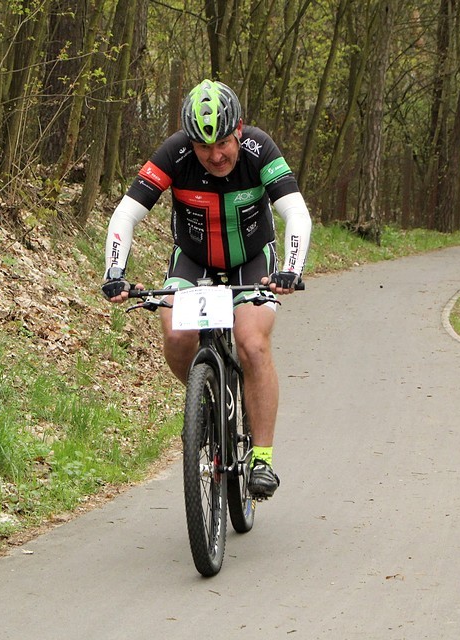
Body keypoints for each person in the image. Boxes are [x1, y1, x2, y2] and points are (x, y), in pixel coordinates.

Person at [100, 79, 312, 499]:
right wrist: (114, 272)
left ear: (239, 131)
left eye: (223, 144)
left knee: (252, 343)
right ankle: (207, 403)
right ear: (190, 142)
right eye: (203, 147)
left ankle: (262, 459)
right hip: (194, 262)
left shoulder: (260, 149)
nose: (215, 156)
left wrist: (290, 269)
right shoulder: (174, 153)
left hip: (251, 261)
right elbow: (126, 214)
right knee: (177, 335)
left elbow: (296, 213)